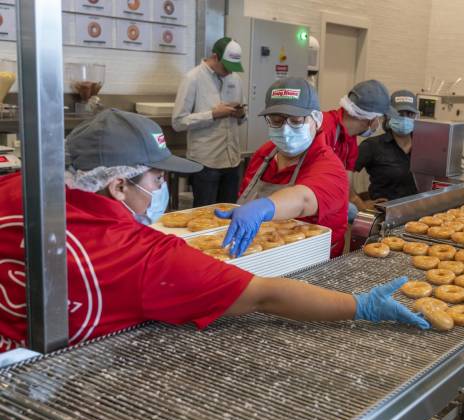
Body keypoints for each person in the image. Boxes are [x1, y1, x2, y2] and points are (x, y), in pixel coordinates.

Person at [0, 109, 428, 359]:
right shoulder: (144, 256)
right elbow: (264, 294)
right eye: (156, 178)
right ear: (118, 186)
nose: (161, 190)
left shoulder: (13, 186)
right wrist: (362, 306)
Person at [219, 77, 348, 258]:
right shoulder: (265, 154)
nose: (285, 131)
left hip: (313, 264)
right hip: (259, 252)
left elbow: (303, 200)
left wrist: (263, 207)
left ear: (317, 119)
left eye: (296, 121)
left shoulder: (329, 166)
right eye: (276, 120)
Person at [172, 36, 247, 207]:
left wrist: (240, 114)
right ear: (214, 57)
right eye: (226, 66)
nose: (229, 71)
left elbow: (243, 118)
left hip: (232, 159)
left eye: (233, 67)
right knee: (204, 217)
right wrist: (213, 114)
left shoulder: (235, 79)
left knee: (229, 214)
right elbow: (178, 122)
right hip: (206, 163)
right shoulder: (193, 78)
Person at [321, 80, 390, 218]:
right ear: (372, 119)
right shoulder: (324, 129)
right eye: (379, 119)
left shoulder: (350, 139)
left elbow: (344, 182)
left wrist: (360, 204)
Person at [355, 90, 419, 202]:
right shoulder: (372, 146)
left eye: (409, 114)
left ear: (416, 117)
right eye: (399, 113)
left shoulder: (426, 146)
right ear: (388, 115)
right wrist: (356, 201)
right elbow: (342, 174)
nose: (404, 118)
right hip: (384, 213)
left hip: (419, 212)